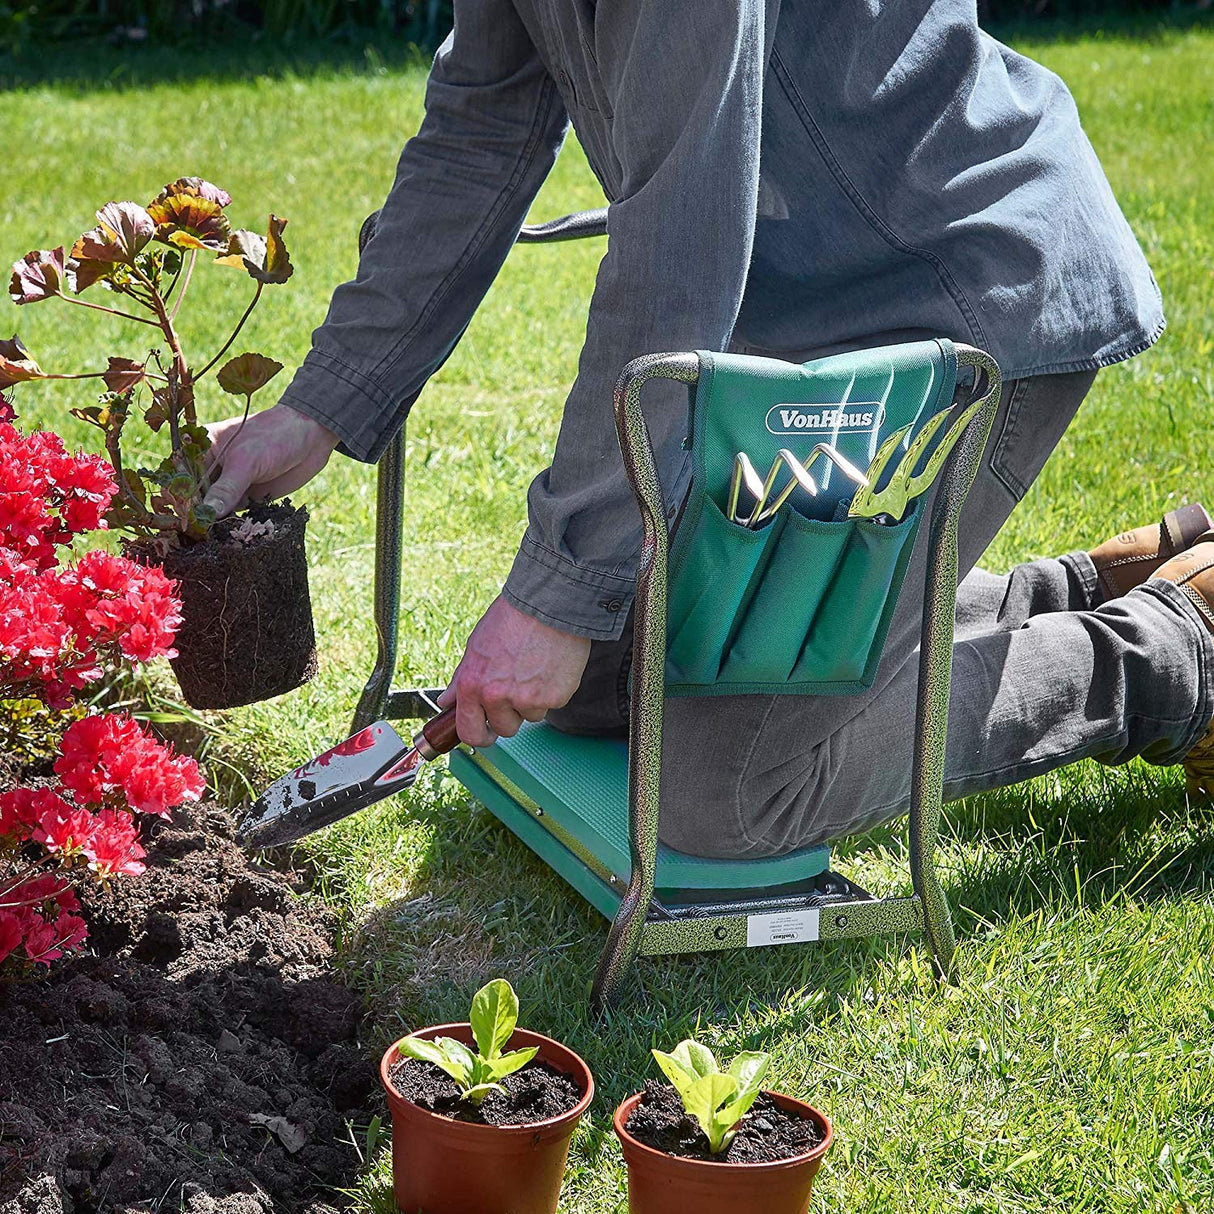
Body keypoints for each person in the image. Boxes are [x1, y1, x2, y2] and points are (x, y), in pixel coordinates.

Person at [204, 0, 1213, 859]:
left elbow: (677, 243)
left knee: (720, 792)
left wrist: (558, 592)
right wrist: (317, 409)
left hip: (953, 305)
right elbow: (477, 134)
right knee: (607, 682)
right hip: (819, 336)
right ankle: (1082, 582)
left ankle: (1173, 648)